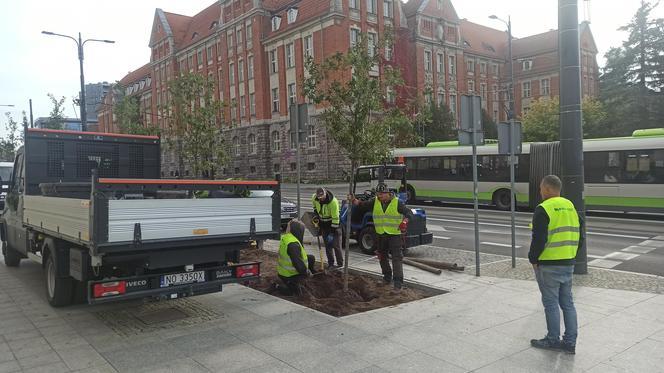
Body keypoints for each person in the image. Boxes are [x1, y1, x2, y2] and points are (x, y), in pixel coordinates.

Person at [528, 175, 584, 355]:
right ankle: (570, 342)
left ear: (547, 189)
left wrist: (533, 259)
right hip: (568, 262)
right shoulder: (571, 206)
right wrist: (571, 254)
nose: (540, 191)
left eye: (541, 188)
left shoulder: (543, 209)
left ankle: (552, 339)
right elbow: (581, 235)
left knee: (551, 303)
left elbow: (539, 239)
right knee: (568, 303)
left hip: (548, 264)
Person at [350, 183, 413, 290]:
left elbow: (409, 213)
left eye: (382, 194)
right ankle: (387, 277)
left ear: (388, 193)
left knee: (396, 258)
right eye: (378, 194)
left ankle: (398, 282)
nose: (380, 196)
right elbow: (362, 205)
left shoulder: (397, 203)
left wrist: (405, 221)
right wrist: (354, 201)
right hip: (380, 234)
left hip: (395, 235)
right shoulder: (375, 201)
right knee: (382, 257)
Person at [276, 219, 316, 296]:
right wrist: (307, 273)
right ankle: (277, 286)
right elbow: (298, 265)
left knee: (311, 258)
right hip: (288, 275)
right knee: (295, 293)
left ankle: (314, 274)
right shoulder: (293, 244)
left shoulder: (290, 238)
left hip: (289, 270)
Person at [312, 187, 343, 268]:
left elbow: (336, 219)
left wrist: (332, 233)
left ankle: (340, 265)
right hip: (324, 226)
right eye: (319, 198)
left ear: (325, 194)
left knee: (336, 246)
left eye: (322, 197)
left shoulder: (333, 202)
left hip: (334, 226)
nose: (321, 199)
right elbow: (315, 207)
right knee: (328, 246)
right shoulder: (314, 198)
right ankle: (331, 264)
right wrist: (316, 215)